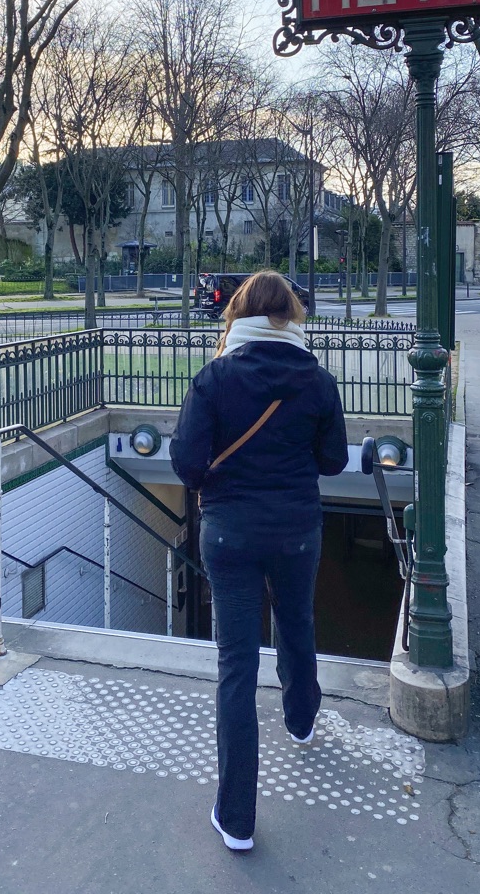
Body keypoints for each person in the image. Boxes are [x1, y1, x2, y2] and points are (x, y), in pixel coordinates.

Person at [169, 270, 348, 852]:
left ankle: (237, 817)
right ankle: (300, 720)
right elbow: (332, 461)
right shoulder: (318, 380)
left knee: (236, 666)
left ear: (238, 313)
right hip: (297, 529)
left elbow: (187, 463)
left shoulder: (215, 377)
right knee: (297, 623)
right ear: (293, 314)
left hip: (230, 532)